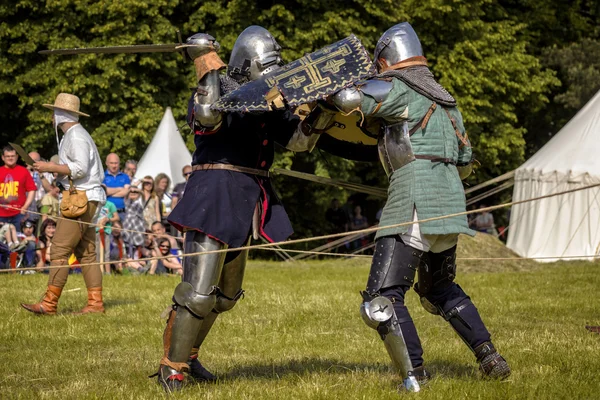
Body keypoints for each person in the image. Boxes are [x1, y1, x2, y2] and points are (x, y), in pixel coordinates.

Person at [321, 22, 510, 391]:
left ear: (387, 60)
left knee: (382, 297)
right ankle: (490, 357)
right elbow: (467, 159)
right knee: (440, 290)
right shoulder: (447, 101)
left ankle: (415, 377)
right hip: (451, 201)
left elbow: (349, 99)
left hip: (414, 199)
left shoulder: (400, 87)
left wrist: (323, 94)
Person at [156, 27, 321, 392]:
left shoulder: (268, 100)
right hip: (214, 193)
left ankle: (191, 354)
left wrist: (316, 112)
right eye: (266, 67)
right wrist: (207, 67)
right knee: (198, 293)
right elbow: (208, 117)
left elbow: (299, 143)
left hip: (248, 197)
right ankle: (172, 368)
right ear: (246, 65)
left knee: (226, 297)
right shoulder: (216, 91)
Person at [21, 92, 106, 315]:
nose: (52, 117)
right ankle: (95, 304)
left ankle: (49, 304)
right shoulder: (74, 135)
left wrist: (49, 167)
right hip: (85, 197)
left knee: (58, 250)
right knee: (86, 254)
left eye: (54, 113)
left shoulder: (76, 136)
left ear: (61, 114)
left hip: (81, 199)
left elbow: (80, 169)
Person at [0, 145, 37, 233]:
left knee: (18, 240)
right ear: (3, 158)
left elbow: (32, 190)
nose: (10, 158)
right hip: (1, 214)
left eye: (12, 156)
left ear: (17, 157)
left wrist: (25, 207)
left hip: (19, 214)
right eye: (8, 156)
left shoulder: (23, 171)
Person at [96, 186, 120, 274]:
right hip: (95, 231)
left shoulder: (110, 204)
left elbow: (116, 217)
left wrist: (108, 219)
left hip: (106, 231)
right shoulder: (93, 204)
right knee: (96, 253)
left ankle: (108, 272)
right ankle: (98, 272)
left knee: (106, 253)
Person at [103, 153, 130, 222]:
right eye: (111, 163)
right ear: (106, 163)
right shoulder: (102, 176)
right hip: (107, 213)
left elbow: (126, 192)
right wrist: (120, 189)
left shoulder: (125, 177)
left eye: (116, 163)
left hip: (122, 212)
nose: (114, 166)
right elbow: (104, 192)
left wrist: (109, 192)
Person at [122, 184, 146, 258]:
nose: (133, 194)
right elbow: (125, 196)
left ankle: (136, 258)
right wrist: (129, 190)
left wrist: (138, 190)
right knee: (128, 242)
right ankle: (129, 258)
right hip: (128, 224)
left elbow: (143, 196)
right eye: (131, 193)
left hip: (138, 224)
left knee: (137, 243)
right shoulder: (127, 201)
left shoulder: (140, 202)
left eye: (135, 193)